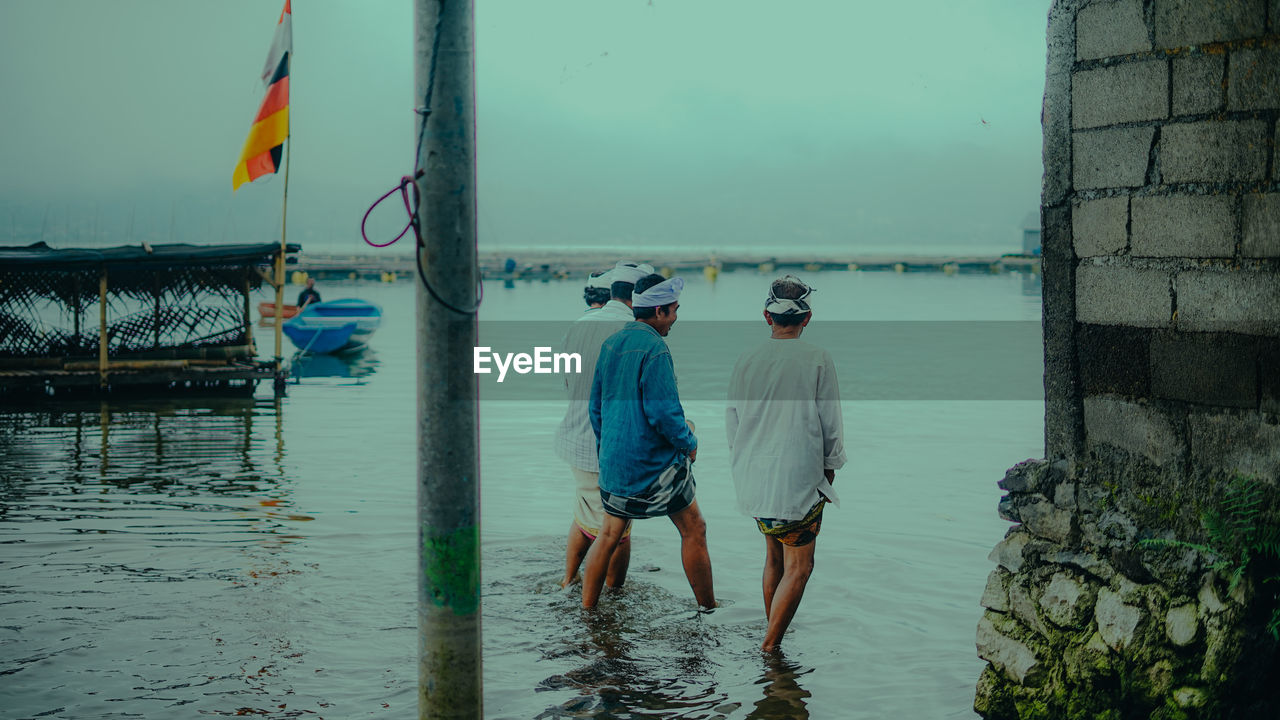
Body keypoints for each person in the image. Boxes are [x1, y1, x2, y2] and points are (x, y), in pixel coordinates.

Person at [725, 275, 846, 652]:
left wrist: (743, 462)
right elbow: (831, 422)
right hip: (797, 478)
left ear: (767, 316)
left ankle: (773, 630)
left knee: (773, 556)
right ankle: (771, 646)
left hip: (754, 477)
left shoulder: (746, 358)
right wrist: (831, 466)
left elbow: (733, 420)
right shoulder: (817, 358)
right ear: (807, 318)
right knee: (801, 567)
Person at [583, 273, 716, 610]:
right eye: (673, 310)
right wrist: (690, 442)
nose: (675, 318)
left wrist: (608, 449)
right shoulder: (656, 349)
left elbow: (595, 407)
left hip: (614, 463)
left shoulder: (611, 343)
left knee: (609, 533)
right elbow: (664, 414)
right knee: (694, 528)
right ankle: (708, 608)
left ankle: (587, 609)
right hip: (652, 468)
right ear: (658, 312)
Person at [552, 262, 651, 588]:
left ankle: (569, 581)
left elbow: (567, 381)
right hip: (611, 447)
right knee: (617, 530)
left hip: (575, 439)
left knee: (586, 516)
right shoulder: (636, 334)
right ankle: (609, 598)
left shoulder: (579, 325)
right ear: (638, 298)